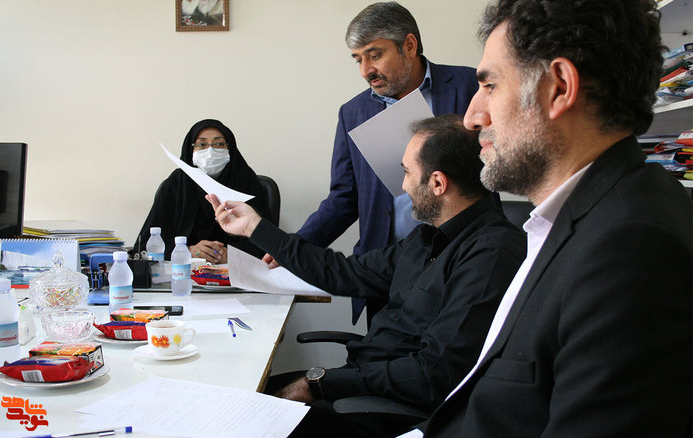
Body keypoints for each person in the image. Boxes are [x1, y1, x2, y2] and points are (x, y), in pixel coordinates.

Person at [405, 1, 693, 437]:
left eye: (491, 86)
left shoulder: (631, 251)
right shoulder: (587, 215)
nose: (472, 118)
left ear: (559, 87)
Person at [207, 114, 525, 438]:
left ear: (438, 183)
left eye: (407, 172)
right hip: (360, 381)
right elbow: (344, 272)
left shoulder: (492, 255)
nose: (402, 186)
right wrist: (256, 227)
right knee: (235, 396)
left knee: (241, 423)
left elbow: (434, 373)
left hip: (392, 410)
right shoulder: (426, 238)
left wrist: (319, 384)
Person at [275, 2, 479, 324]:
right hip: (387, 273)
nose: (365, 70)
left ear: (409, 45)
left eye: (374, 55)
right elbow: (344, 198)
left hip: (463, 262)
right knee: (381, 354)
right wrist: (290, 248)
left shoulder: (470, 87)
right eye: (358, 59)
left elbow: (500, 161)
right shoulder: (353, 113)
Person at [133, 119, 269, 263]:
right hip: (184, 270)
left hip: (237, 270)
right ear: (190, 150)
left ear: (230, 148)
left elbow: (269, 241)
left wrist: (233, 256)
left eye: (219, 144)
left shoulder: (247, 180)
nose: (210, 151)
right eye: (202, 144)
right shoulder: (176, 184)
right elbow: (145, 245)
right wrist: (187, 251)